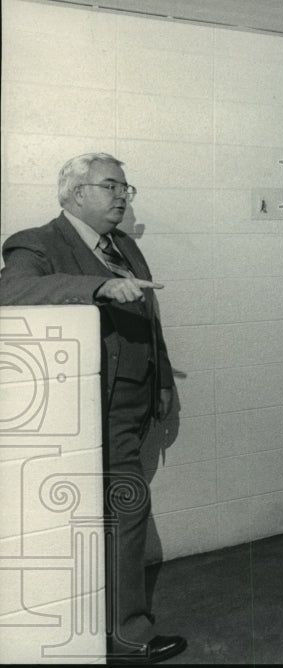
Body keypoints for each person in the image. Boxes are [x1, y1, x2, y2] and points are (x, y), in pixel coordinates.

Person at [0, 153, 186, 664]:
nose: (123, 196)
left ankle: (103, 624)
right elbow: (10, 290)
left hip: (134, 401)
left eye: (127, 188)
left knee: (114, 511)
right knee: (127, 508)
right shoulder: (37, 242)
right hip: (90, 405)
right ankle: (127, 637)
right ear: (76, 193)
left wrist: (162, 380)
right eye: (111, 186)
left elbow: (148, 315)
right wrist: (96, 287)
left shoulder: (122, 245)